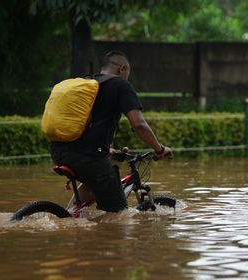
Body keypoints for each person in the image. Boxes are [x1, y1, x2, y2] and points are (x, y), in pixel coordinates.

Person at [49, 51, 172, 221]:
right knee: (121, 214)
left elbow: (83, 128)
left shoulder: (86, 83)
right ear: (122, 68)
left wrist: (110, 150)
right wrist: (159, 149)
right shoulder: (120, 85)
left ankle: (68, 217)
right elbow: (139, 125)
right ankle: (107, 244)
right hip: (88, 158)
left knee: (93, 179)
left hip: (58, 152)